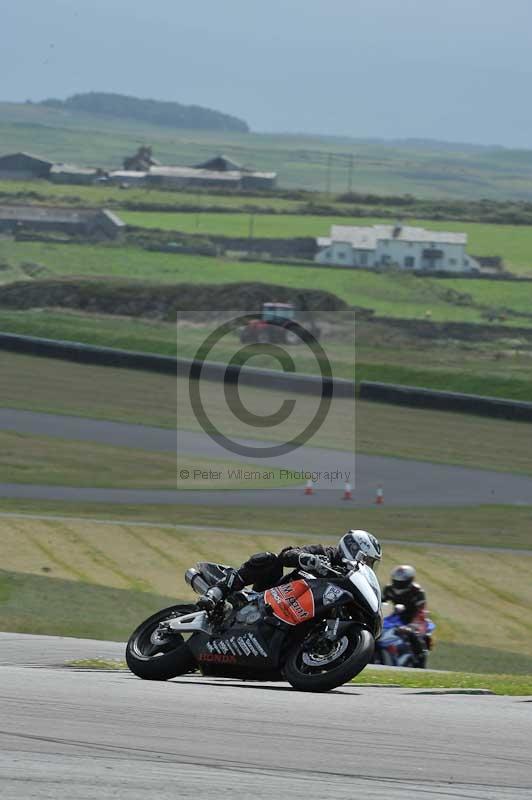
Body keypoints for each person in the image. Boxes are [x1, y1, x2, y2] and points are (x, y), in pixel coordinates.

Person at [197, 529, 382, 612]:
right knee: (269, 560)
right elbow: (287, 554)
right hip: (273, 595)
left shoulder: (350, 577)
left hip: (301, 610)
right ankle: (216, 592)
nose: (368, 564)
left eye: (371, 562)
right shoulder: (326, 553)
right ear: (352, 549)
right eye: (366, 559)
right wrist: (306, 558)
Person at [382, 564, 429, 664]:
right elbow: (381, 604)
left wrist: (412, 625)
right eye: (397, 581)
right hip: (395, 617)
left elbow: (421, 610)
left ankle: (420, 659)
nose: (399, 583)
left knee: (413, 634)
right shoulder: (388, 589)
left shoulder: (417, 591)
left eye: (402, 582)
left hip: (414, 619)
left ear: (409, 580)